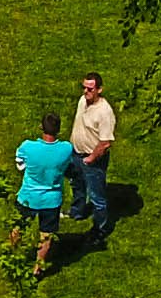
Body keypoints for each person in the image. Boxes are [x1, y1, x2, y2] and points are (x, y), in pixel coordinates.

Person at [13, 113, 77, 273]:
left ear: (41, 127)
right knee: (46, 234)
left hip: (28, 197)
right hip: (51, 199)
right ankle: (38, 267)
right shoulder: (66, 148)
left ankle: (13, 254)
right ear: (59, 129)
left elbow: (19, 164)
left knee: (18, 226)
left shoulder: (28, 147)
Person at [69, 73, 118, 236]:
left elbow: (105, 142)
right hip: (76, 153)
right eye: (84, 87)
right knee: (77, 186)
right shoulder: (83, 101)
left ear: (99, 89)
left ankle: (100, 229)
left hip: (92, 160)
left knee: (97, 196)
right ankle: (77, 212)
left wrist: (90, 159)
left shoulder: (104, 112)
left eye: (90, 89)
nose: (85, 91)